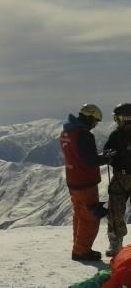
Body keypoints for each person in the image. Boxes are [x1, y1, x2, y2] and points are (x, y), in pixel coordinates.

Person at [60, 103, 111, 261]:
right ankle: (81, 252)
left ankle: (79, 247)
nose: (95, 125)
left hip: (73, 180)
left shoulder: (66, 133)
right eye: (95, 121)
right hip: (85, 182)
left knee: (80, 215)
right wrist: (107, 158)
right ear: (89, 118)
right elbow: (89, 160)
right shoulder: (84, 134)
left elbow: (77, 155)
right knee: (90, 217)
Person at [105, 103, 131, 257]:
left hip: (120, 177)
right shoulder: (115, 136)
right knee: (115, 211)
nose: (117, 122)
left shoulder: (117, 135)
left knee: (116, 210)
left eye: (118, 118)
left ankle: (116, 243)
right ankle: (116, 244)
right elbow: (108, 152)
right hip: (121, 177)